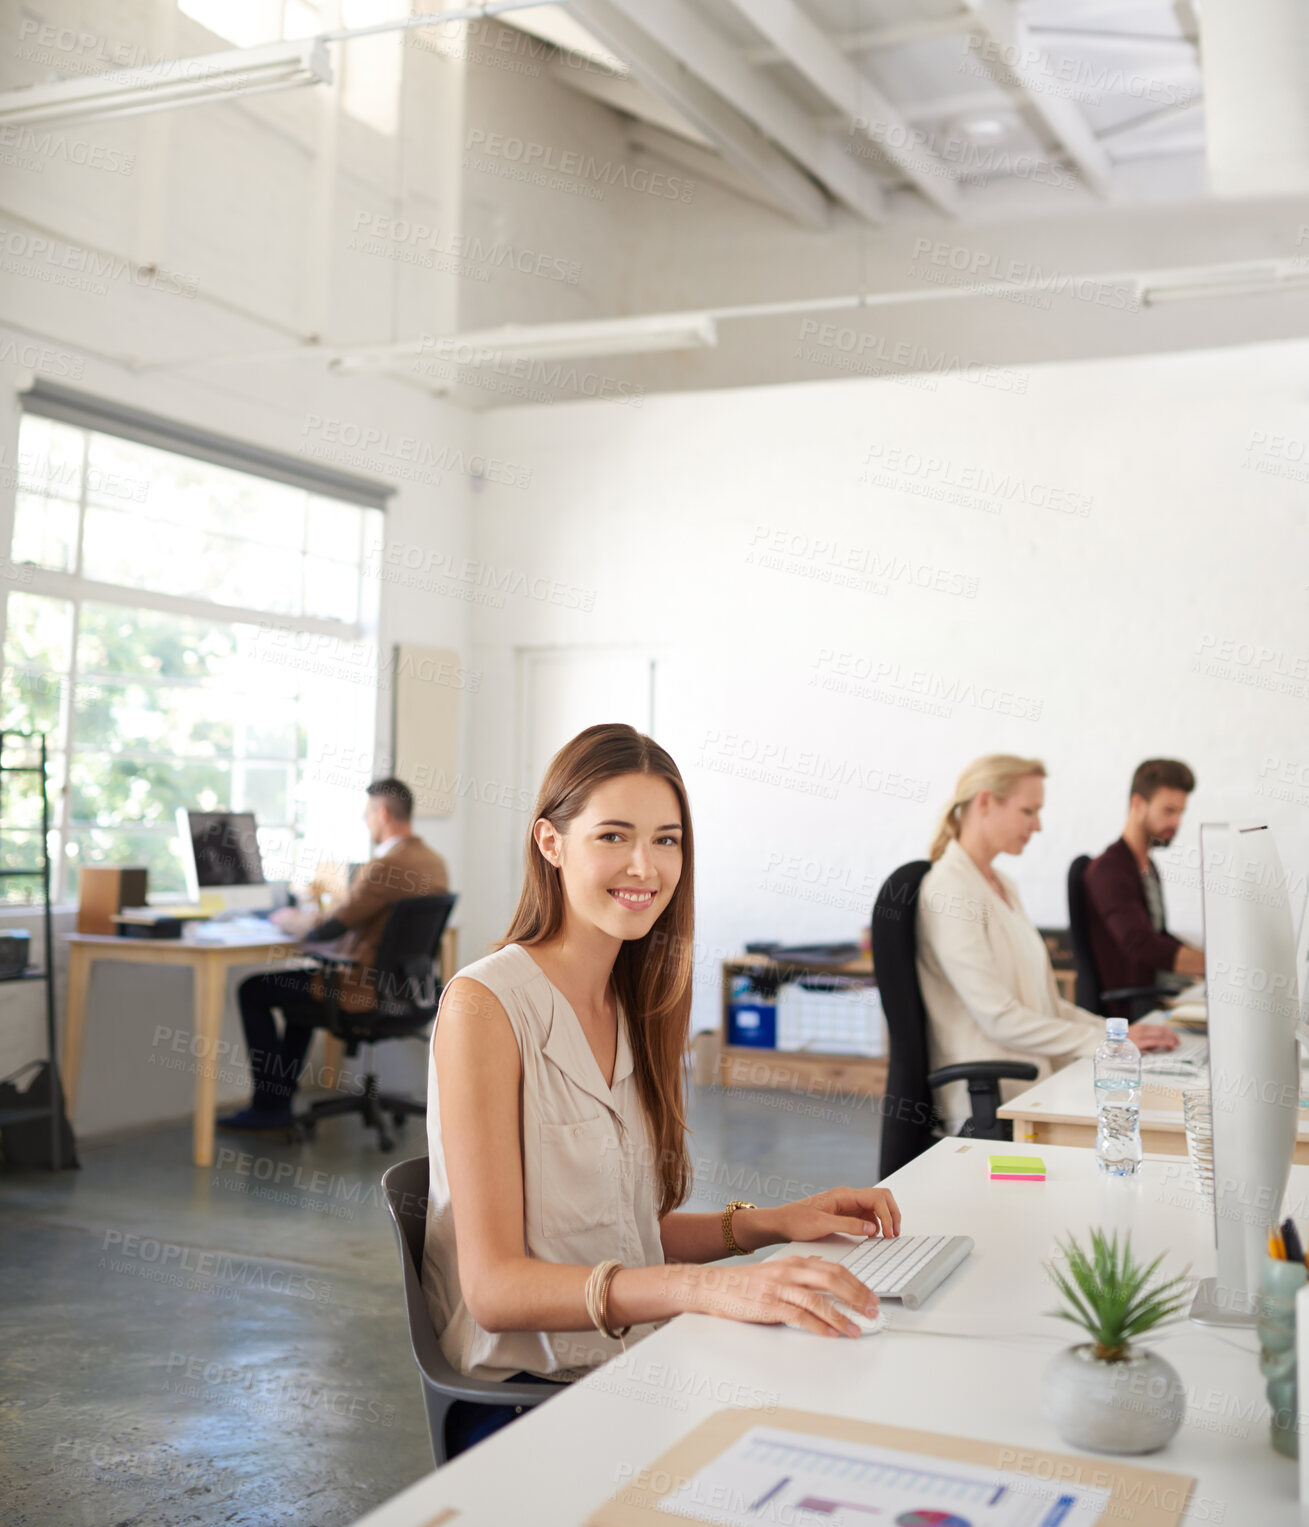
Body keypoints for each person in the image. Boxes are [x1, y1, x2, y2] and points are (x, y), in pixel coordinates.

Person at [423, 723, 901, 1459]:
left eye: (667, 839)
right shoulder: (485, 1004)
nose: (644, 865)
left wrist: (769, 1223)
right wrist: (701, 1289)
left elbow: (622, 1230)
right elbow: (496, 1289)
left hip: (633, 1367)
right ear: (550, 843)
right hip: (530, 1405)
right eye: (612, 835)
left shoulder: (632, 999)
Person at [916, 755, 1177, 1133]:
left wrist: (1114, 1036)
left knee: (1155, 1104)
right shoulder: (949, 889)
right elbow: (1000, 1017)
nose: (1037, 826)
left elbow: (1046, 1006)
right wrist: (1100, 1040)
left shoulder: (1003, 885)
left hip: (1035, 1080)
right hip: (996, 1096)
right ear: (985, 802)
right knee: (1140, 1126)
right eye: (1028, 811)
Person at [218, 778, 449, 1131]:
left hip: (362, 990)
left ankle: (270, 1106)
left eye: (367, 814)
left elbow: (331, 925)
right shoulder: (434, 861)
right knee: (298, 1005)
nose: (366, 822)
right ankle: (277, 1101)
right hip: (408, 992)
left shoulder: (387, 865)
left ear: (382, 813)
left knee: (253, 990)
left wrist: (289, 920)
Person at [1084, 759, 1204, 1017]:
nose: (1176, 822)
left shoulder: (1148, 867)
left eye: (1180, 813)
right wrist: (1216, 966)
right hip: (1130, 1011)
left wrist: (1207, 958)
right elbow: (1140, 944)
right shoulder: (1109, 869)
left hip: (1154, 999)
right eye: (1168, 811)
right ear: (1137, 804)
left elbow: (1158, 935)